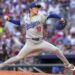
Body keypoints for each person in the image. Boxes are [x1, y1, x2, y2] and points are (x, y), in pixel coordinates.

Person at [0, 2, 74, 70]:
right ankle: (1, 65)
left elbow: (51, 15)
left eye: (37, 8)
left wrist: (60, 18)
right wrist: (9, 19)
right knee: (18, 57)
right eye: (35, 8)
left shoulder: (41, 16)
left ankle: (67, 64)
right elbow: (18, 22)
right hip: (30, 43)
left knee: (56, 50)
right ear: (30, 9)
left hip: (41, 42)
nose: (37, 9)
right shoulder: (25, 18)